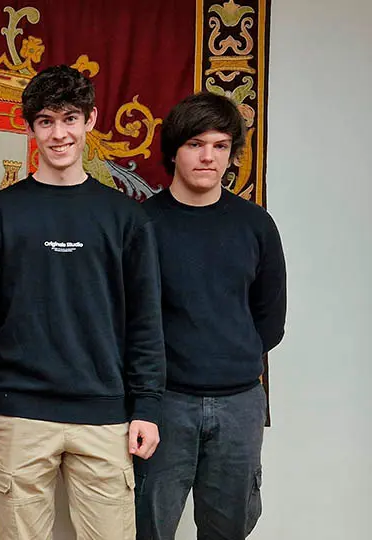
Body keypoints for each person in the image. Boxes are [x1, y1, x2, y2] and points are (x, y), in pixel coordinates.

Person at [0, 64, 166, 540]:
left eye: (69, 118)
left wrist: (148, 406)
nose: (59, 133)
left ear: (90, 120)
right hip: (18, 415)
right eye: (46, 121)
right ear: (29, 127)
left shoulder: (126, 219)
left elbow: (145, 320)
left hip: (106, 416)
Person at [134, 92, 287, 540]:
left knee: (229, 528)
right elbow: (126, 319)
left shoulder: (255, 225)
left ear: (231, 154)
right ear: (174, 151)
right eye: (195, 144)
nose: (208, 156)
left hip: (239, 403)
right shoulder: (141, 225)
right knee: (148, 526)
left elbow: (270, 319)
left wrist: (229, 357)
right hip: (163, 402)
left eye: (220, 146)